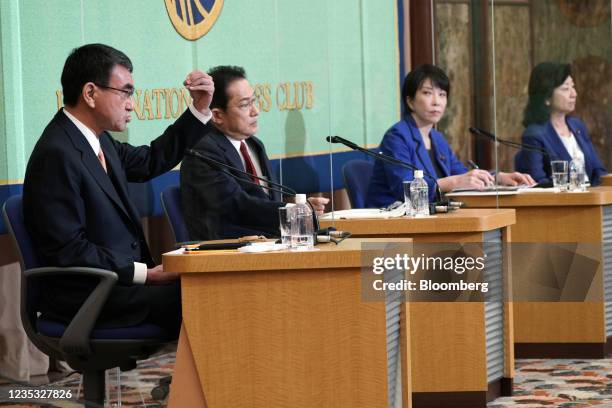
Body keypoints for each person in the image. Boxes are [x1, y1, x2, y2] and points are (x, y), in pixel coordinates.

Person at [22, 43, 214, 338]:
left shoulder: (97, 140)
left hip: (117, 284)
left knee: (211, 285)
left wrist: (199, 110)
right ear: (90, 93)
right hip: (90, 294)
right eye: (125, 92)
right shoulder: (57, 153)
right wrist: (145, 274)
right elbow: (70, 249)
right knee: (202, 299)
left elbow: (151, 160)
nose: (131, 104)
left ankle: (196, 385)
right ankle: (196, 385)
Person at [180, 65, 328, 240]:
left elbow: (265, 202)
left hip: (269, 243)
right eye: (245, 105)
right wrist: (294, 210)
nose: (255, 111)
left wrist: (296, 208)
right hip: (228, 252)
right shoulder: (202, 153)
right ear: (217, 115)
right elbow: (237, 206)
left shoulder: (254, 145)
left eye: (254, 101)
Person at [366, 64, 534, 208]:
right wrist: (453, 182)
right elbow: (406, 191)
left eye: (442, 94)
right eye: (427, 93)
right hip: (394, 221)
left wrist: (497, 177)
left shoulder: (437, 139)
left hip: (430, 217)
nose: (436, 101)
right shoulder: (397, 137)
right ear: (410, 101)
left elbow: (462, 174)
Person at [515, 62, 607, 184]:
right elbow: (536, 182)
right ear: (547, 97)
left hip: (594, 199)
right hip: (565, 201)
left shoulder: (577, 126)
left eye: (573, 87)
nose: (574, 94)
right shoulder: (534, 134)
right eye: (565, 89)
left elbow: (598, 170)